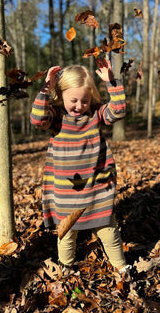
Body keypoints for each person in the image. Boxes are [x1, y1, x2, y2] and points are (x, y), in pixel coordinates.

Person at [30, 59, 130, 274]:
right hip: (65, 190)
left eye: (84, 101)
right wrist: (46, 88)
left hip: (97, 184)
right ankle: (65, 268)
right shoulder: (57, 117)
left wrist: (112, 82)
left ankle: (122, 267)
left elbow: (118, 111)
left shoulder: (95, 114)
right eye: (73, 100)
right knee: (67, 232)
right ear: (61, 95)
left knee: (107, 228)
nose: (79, 106)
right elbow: (37, 120)